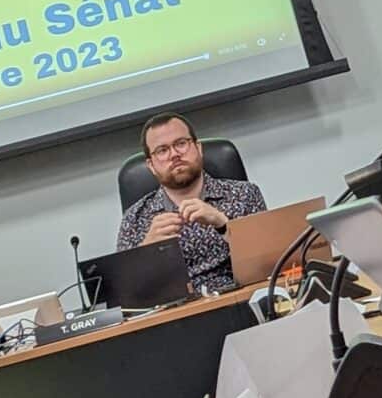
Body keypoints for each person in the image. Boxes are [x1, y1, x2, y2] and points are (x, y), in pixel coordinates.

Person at [114, 113, 268, 295]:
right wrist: (148, 251)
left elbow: (269, 262)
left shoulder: (244, 195)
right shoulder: (135, 218)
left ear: (198, 148)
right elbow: (124, 295)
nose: (174, 154)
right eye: (162, 150)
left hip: (242, 301)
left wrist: (224, 225)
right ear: (151, 165)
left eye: (181, 143)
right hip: (174, 316)